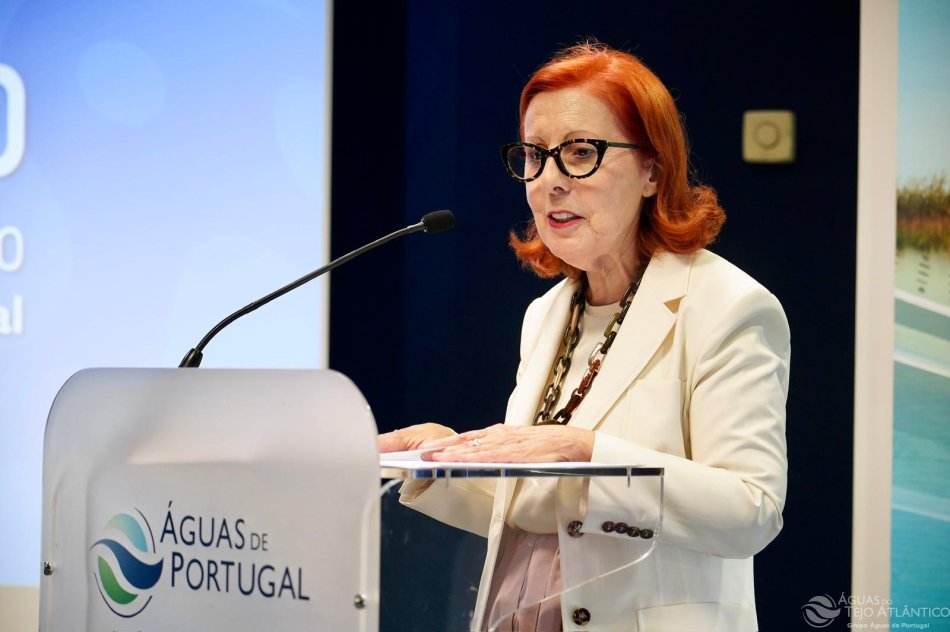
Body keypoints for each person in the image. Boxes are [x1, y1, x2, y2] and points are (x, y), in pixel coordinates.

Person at [379, 41, 790, 632]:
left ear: (653, 170)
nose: (549, 181)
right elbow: (542, 511)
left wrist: (587, 451)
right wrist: (438, 461)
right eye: (534, 155)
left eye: (579, 153)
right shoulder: (548, 313)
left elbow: (752, 511)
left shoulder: (726, 306)